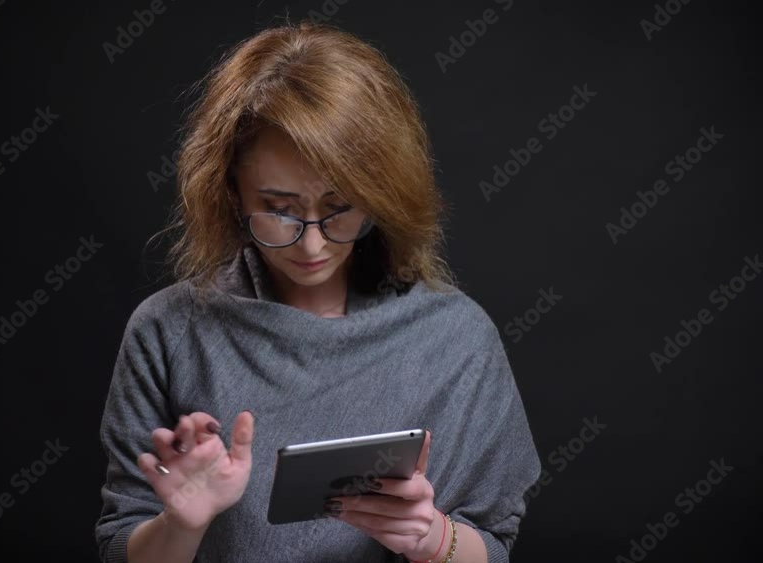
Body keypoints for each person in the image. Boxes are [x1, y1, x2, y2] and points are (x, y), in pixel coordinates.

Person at [96, 20, 541, 563]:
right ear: (231, 191)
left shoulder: (458, 338)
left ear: (381, 193)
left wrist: (428, 538)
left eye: (338, 209)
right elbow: (125, 545)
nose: (311, 244)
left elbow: (492, 546)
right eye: (279, 210)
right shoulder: (168, 330)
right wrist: (182, 525)